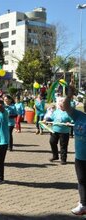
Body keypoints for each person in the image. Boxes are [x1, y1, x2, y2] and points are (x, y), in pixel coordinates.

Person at [63, 85, 86, 215]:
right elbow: (66, 106)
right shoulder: (79, 116)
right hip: (80, 157)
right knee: (82, 180)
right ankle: (83, 204)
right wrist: (69, 95)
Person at [45, 97, 72, 165]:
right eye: (60, 103)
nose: (60, 104)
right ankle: (55, 156)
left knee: (63, 146)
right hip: (55, 130)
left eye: (62, 103)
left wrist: (69, 123)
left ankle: (63, 159)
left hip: (64, 132)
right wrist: (47, 119)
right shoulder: (56, 111)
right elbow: (51, 118)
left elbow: (72, 120)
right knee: (52, 142)